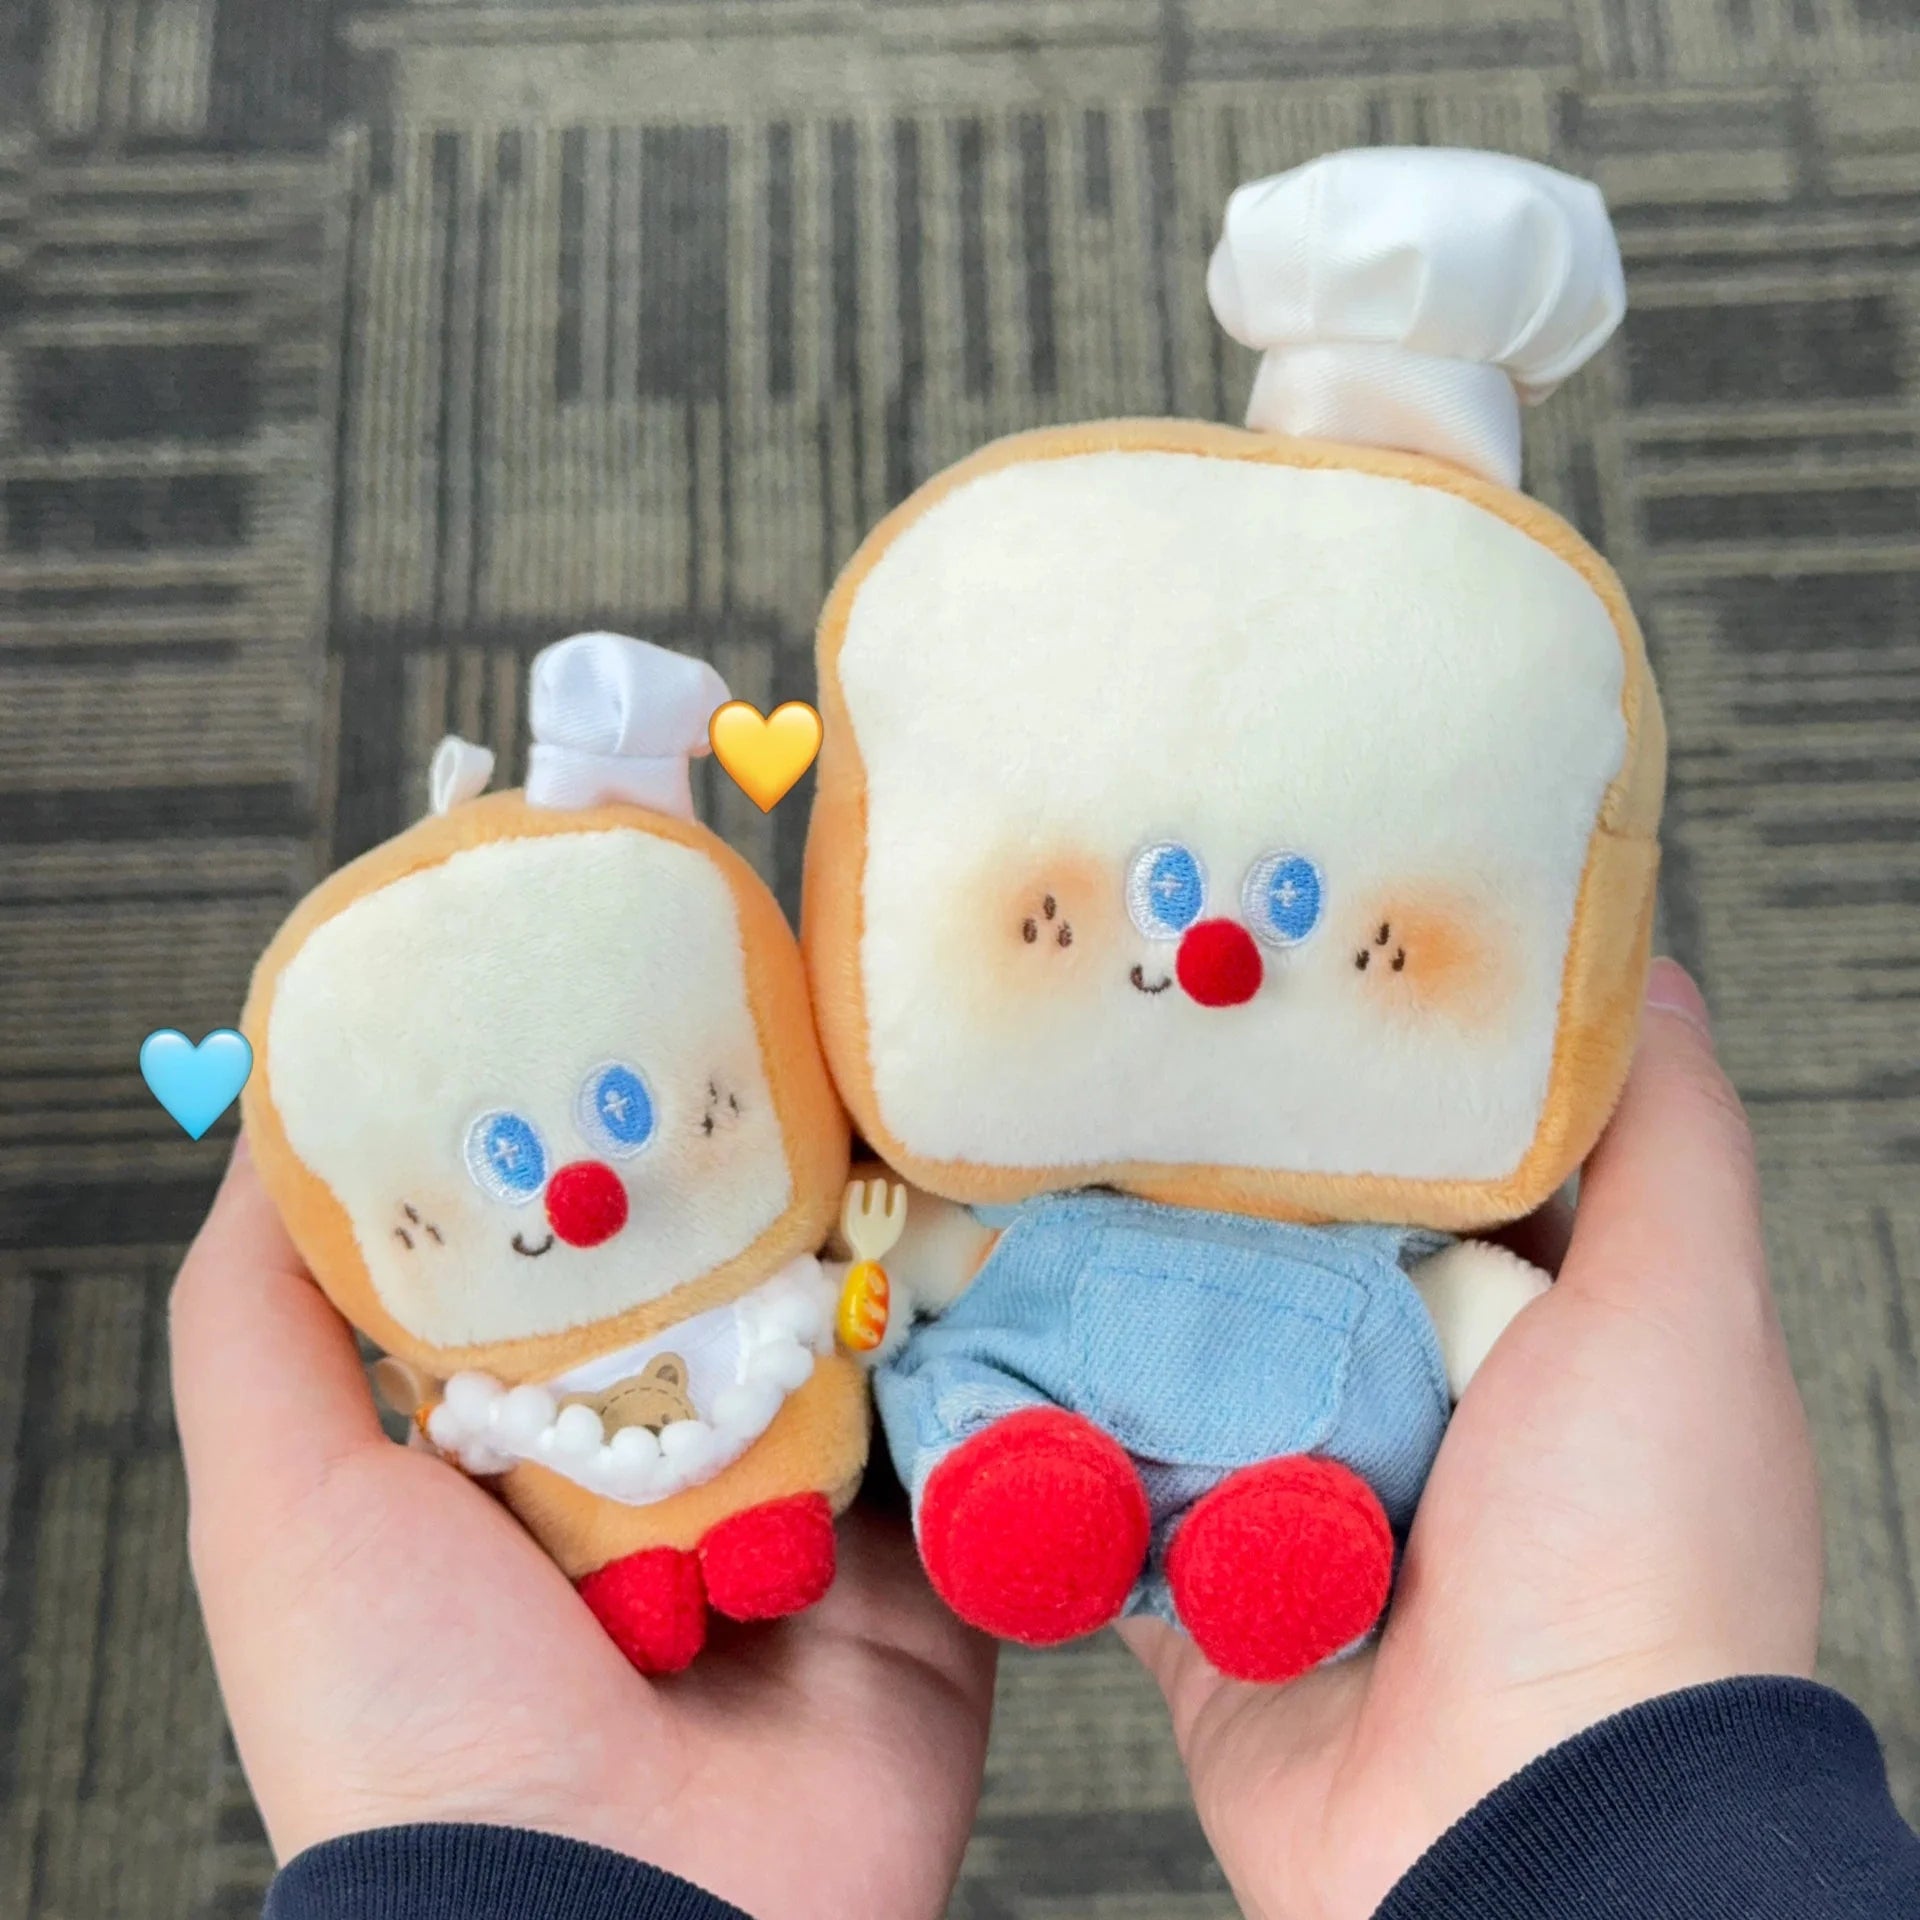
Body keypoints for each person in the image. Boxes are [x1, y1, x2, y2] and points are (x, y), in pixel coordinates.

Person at [170, 961, 1920, 1920]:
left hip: (1301, 1449)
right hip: (1037, 1381)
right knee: (984, 1430)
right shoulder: (1018, 1202)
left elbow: (1475, 1300)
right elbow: (922, 1257)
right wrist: (1624, 1778)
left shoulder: (1374, 1212)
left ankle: (1248, 1549)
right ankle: (1043, 1514)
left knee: (1257, 1512)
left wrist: (495, 1860)